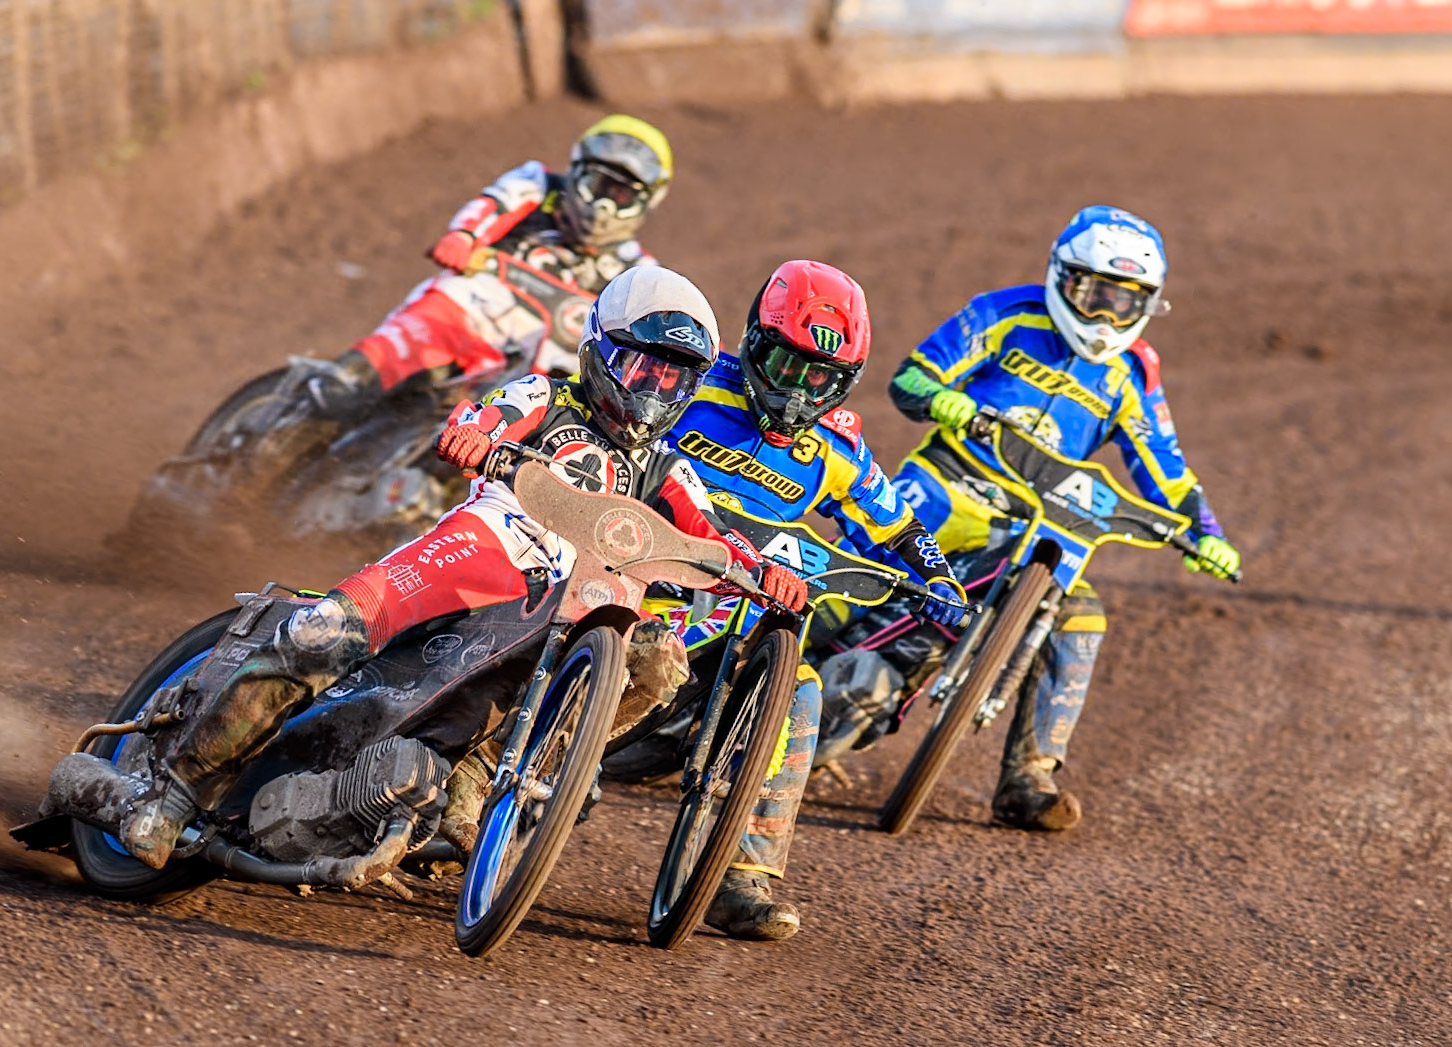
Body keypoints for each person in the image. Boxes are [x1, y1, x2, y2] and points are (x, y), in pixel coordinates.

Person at [121, 267, 810, 870]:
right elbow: (484, 413)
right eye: (641, 367)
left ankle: (482, 772)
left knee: (659, 661)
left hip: (571, 603)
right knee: (324, 632)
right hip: (485, 546)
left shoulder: (669, 470)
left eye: (674, 376)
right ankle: (174, 788)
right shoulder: (548, 396)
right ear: (601, 352)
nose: (654, 389)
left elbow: (716, 538)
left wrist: (764, 573)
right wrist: (475, 437)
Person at [841, 205, 1241, 832]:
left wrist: (1206, 532)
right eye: (1096, 294)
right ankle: (759, 668)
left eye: (1126, 302)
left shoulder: (1133, 372)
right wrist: (941, 397)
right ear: (1064, 277)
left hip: (1039, 524)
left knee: (1081, 613)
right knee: (857, 572)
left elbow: (1164, 466)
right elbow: (912, 376)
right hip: (949, 486)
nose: (1107, 315)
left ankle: (1029, 776)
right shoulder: (1004, 313)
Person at [662, 260, 967, 940]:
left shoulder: (838, 448)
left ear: (845, 381)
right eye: (784, 362)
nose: (796, 387)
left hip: (736, 624)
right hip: (642, 581)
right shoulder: (691, 384)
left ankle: (743, 875)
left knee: (799, 688)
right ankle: (464, 782)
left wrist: (939, 583)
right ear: (751, 340)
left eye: (818, 376)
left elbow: (898, 526)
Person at [305, 114, 675, 416]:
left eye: (621, 197)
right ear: (576, 171)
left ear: (646, 204)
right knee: (363, 375)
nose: (603, 207)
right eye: (597, 186)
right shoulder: (540, 186)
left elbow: (664, 324)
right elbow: (494, 205)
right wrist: (464, 237)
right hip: (468, 311)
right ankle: (327, 390)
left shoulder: (637, 270)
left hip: (537, 360)